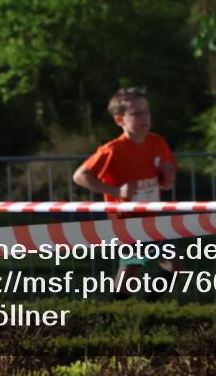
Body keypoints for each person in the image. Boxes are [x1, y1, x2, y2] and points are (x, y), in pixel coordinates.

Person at [72, 87, 179, 300]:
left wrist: (169, 176)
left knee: (142, 269)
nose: (144, 118)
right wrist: (115, 191)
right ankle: (128, 312)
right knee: (159, 265)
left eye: (147, 112)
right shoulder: (112, 150)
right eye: (136, 114)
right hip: (125, 222)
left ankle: (127, 311)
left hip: (149, 219)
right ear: (120, 120)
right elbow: (80, 176)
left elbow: (166, 177)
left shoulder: (157, 142)